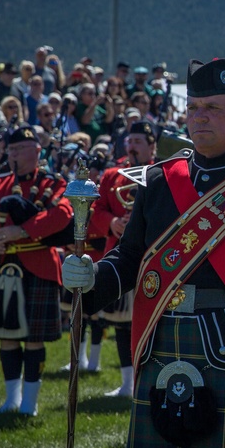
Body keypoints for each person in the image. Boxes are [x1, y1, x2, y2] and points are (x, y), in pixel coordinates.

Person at [63, 58, 225, 448]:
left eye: (214, 108)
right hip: (160, 339)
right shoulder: (159, 181)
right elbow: (130, 260)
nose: (200, 117)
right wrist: (93, 277)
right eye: (194, 108)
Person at [0, 124, 73, 415]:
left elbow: (62, 214)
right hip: (3, 264)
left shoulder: (52, 183)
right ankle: (11, 399)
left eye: (20, 149)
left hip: (38, 265)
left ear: (37, 151)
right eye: (11, 149)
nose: (13, 154)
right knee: (7, 335)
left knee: (34, 338)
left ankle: (30, 403)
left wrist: (23, 230)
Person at [87, 120, 157, 397]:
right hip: (121, 255)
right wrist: (114, 221)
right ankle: (128, 384)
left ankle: (148, 380)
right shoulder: (112, 176)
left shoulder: (161, 173)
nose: (132, 147)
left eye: (138, 142)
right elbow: (96, 210)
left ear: (152, 146)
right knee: (121, 324)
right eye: (129, 142)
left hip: (153, 257)